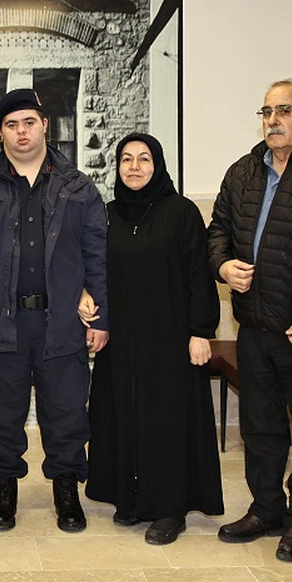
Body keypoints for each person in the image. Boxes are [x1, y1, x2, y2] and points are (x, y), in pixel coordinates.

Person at [0, 88, 109, 534]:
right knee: (1, 415)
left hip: (63, 323)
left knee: (67, 413)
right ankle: (4, 490)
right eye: (12, 125)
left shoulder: (77, 186)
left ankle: (66, 490)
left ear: (45, 126)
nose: (21, 132)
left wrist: (101, 319)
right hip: (0, 323)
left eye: (29, 123)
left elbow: (98, 255)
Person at [206, 79, 292, 562]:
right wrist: (222, 265)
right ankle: (265, 509)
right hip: (252, 326)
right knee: (260, 427)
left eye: (284, 110)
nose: (273, 120)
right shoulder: (243, 171)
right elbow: (218, 229)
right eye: (266, 111)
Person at [82, 132, 223, 545]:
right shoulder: (108, 214)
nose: (134, 167)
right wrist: (85, 296)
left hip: (171, 339)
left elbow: (199, 276)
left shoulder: (181, 213)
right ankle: (130, 498)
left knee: (167, 422)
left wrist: (201, 332)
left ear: (157, 165)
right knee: (123, 414)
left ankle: (169, 508)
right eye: (126, 159)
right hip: (122, 340)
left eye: (144, 159)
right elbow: (93, 268)